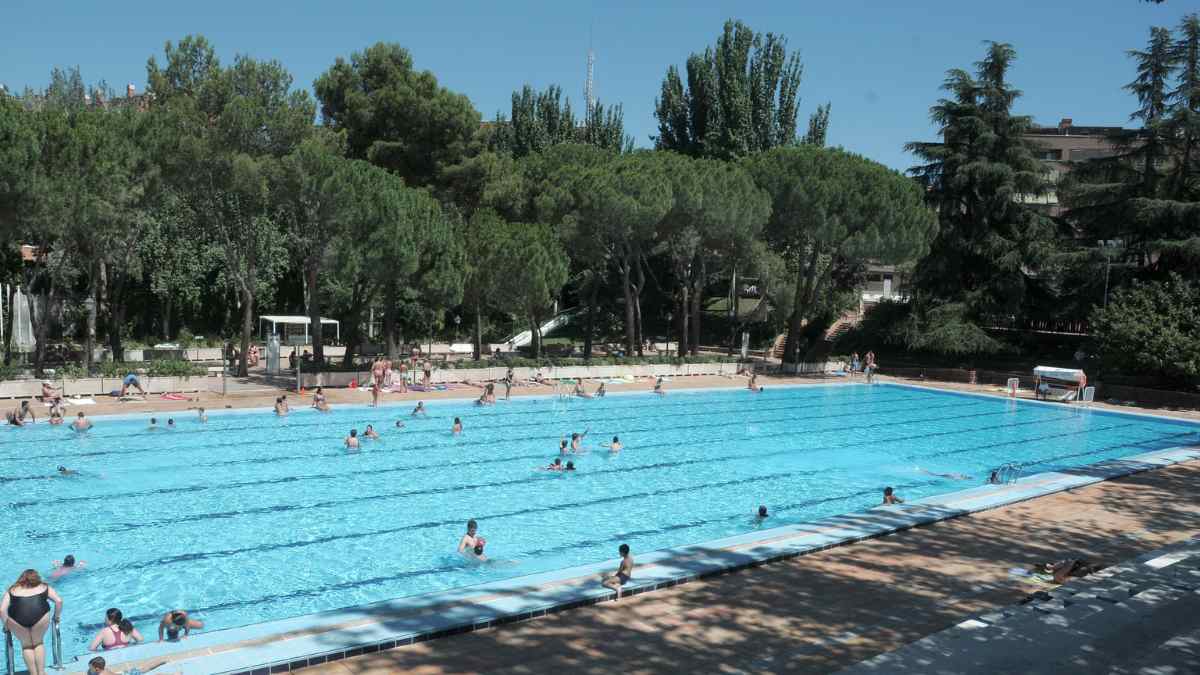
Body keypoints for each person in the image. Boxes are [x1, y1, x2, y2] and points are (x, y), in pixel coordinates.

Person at [1, 569, 62, 675]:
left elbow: (2, 610)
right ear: (37, 577)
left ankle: (33, 673)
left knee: (27, 646)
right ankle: (41, 672)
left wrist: (6, 626)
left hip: (16, 620)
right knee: (38, 643)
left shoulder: (12, 590)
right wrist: (56, 617)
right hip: (40, 617)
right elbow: (59, 601)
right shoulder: (44, 587)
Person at [86, 655, 175, 675]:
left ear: (97, 669)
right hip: (126, 673)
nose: (89, 669)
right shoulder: (103, 669)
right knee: (144, 669)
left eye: (90, 668)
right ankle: (161, 661)